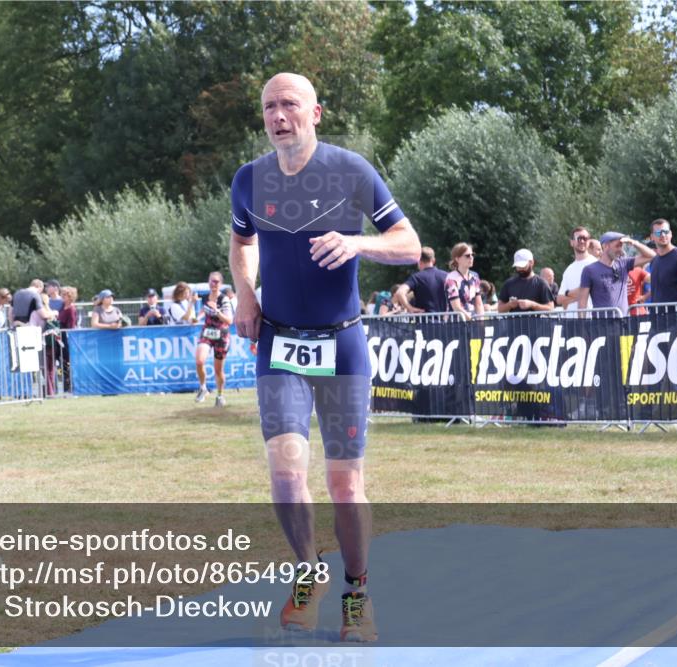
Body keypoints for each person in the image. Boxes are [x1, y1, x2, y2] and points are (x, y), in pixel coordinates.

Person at [230, 73, 421, 642]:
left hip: (341, 344)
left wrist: (358, 242)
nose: (278, 115)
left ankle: (357, 593)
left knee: (344, 484)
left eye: (289, 104)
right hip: (280, 343)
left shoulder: (350, 170)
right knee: (287, 474)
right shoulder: (249, 180)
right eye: (269, 106)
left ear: (315, 113)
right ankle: (308, 573)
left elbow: (409, 244)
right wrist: (245, 293)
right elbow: (242, 242)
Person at [578, 232, 656, 315]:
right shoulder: (589, 270)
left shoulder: (623, 263)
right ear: (605, 246)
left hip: (623, 320)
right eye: (617, 246)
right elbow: (582, 302)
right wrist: (582, 322)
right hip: (602, 321)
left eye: (621, 246)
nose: (620, 250)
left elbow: (652, 256)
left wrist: (634, 243)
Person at [194, 271, 234, 406]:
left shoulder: (224, 299)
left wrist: (217, 311)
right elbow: (204, 310)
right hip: (207, 332)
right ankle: (203, 388)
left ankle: (220, 395)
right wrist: (197, 318)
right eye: (211, 281)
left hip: (221, 335)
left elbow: (229, 320)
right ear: (208, 282)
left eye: (216, 281)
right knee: (199, 361)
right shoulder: (205, 297)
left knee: (218, 370)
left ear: (220, 284)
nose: (213, 284)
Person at [647, 219, 677, 307]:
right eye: (658, 233)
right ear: (652, 237)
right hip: (656, 314)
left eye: (665, 232)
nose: (663, 235)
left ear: (670, 234)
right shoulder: (654, 261)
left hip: (676, 315)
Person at [393, 246, 449, 314]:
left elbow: (400, 292)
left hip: (423, 318)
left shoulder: (416, 277)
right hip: (445, 318)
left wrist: (410, 308)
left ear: (418, 261)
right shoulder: (446, 276)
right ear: (433, 260)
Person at [497, 249, 554, 313]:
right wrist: (509, 305)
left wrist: (532, 305)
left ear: (531, 262)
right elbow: (500, 309)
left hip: (535, 320)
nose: (520, 269)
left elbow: (550, 308)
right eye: (518, 267)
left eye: (523, 266)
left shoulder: (542, 284)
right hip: (513, 320)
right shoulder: (508, 284)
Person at [556, 227, 597, 312]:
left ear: (589, 242)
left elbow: (593, 290)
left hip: (591, 317)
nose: (582, 241)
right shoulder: (568, 270)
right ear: (571, 242)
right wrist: (582, 294)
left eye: (585, 238)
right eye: (579, 238)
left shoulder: (596, 264)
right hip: (572, 318)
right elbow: (559, 299)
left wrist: (568, 294)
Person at [444, 242, 483, 321]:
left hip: (472, 320)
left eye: (472, 255)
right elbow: (457, 307)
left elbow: (479, 304)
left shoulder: (475, 276)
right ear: (457, 259)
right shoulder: (451, 279)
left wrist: (481, 321)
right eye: (467, 255)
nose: (471, 257)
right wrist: (471, 320)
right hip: (455, 322)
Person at [57, 285, 79, 392]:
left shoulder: (71, 309)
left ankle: (70, 385)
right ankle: (66, 385)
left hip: (67, 338)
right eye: (62, 294)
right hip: (60, 338)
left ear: (71, 296)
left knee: (68, 362)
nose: (63, 296)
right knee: (62, 362)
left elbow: (72, 325)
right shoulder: (62, 306)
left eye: (65, 294)